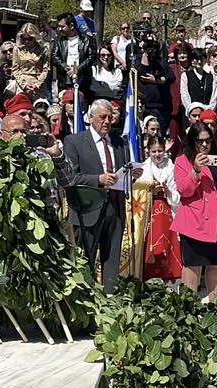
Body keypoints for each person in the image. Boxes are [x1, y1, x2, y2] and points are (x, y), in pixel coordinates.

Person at [171, 122, 217, 300]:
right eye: (199, 141)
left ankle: (215, 307)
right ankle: (188, 310)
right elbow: (184, 190)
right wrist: (196, 169)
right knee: (192, 267)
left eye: (208, 140)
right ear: (191, 142)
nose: (204, 145)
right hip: (196, 223)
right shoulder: (183, 161)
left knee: (216, 265)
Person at [64, 99, 128, 293]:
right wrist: (98, 179)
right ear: (91, 118)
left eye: (110, 117)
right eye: (102, 117)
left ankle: (110, 298)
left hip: (114, 207)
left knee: (112, 258)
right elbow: (71, 177)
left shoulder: (119, 142)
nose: (107, 121)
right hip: (88, 207)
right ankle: (86, 301)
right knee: (85, 260)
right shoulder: (75, 141)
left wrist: (131, 174)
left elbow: (122, 170)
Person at [51, 13, 97, 94]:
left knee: (81, 104)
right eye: (59, 26)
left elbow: (91, 58)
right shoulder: (58, 40)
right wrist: (67, 68)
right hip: (64, 79)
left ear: (71, 26)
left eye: (62, 26)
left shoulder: (87, 40)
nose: (59, 29)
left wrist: (76, 69)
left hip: (83, 80)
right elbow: (54, 56)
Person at [12, 23, 50, 102]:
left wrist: (37, 84)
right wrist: (24, 84)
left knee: (39, 110)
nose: (27, 41)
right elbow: (15, 69)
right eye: (24, 38)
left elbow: (46, 69)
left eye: (29, 39)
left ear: (35, 37)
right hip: (22, 83)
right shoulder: (17, 49)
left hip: (39, 82)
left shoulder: (44, 49)